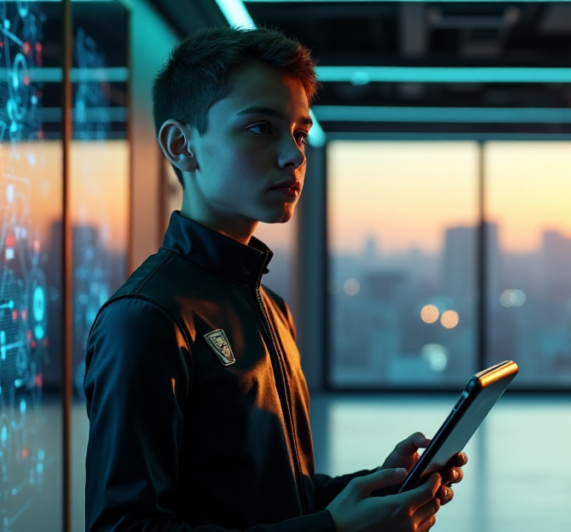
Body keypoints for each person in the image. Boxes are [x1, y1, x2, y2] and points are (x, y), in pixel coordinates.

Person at [83, 26, 467, 532]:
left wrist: (380, 486)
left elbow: (279, 494)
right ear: (182, 146)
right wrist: (335, 529)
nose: (294, 155)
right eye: (261, 128)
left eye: (300, 133)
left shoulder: (271, 307)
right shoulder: (146, 319)